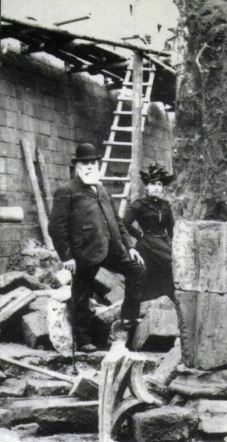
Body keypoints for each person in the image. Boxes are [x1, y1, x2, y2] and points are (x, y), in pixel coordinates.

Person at [48, 143, 145, 352]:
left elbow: (117, 221)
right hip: (84, 253)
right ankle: (83, 340)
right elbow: (56, 227)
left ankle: (128, 318)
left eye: (93, 162)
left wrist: (130, 246)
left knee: (137, 269)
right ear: (77, 167)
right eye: (85, 163)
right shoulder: (67, 191)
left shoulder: (102, 190)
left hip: (111, 248)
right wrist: (67, 257)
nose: (90, 166)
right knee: (81, 292)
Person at [123, 163, 176, 303]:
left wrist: (174, 244)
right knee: (151, 275)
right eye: (153, 184)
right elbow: (124, 223)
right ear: (146, 186)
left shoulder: (165, 205)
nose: (157, 187)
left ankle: (169, 301)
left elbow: (171, 228)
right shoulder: (139, 204)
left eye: (159, 184)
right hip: (147, 243)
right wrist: (139, 235)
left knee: (171, 265)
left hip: (163, 241)